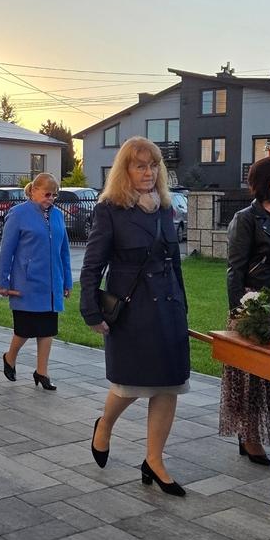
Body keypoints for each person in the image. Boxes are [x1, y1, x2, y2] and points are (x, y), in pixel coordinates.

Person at [80, 137, 189, 497]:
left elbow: (175, 264)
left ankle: (154, 460)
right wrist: (91, 310)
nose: (148, 172)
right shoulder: (109, 209)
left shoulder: (165, 208)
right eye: (140, 165)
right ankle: (104, 425)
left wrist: (183, 306)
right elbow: (93, 265)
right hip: (133, 309)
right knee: (130, 384)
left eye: (154, 165)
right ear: (125, 170)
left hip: (168, 308)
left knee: (169, 384)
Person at [222, 156, 270, 466]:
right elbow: (234, 270)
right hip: (255, 307)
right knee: (251, 378)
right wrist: (239, 312)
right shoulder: (246, 219)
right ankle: (249, 436)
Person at [0, 173, 73, 391]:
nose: (51, 199)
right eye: (47, 194)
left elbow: (64, 251)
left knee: (47, 329)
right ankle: (10, 357)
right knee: (24, 329)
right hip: (26, 283)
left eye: (54, 195)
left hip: (51, 283)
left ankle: (42, 372)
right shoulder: (18, 214)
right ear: (33, 191)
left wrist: (67, 281)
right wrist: (3, 280)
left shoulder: (57, 215)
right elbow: (7, 250)